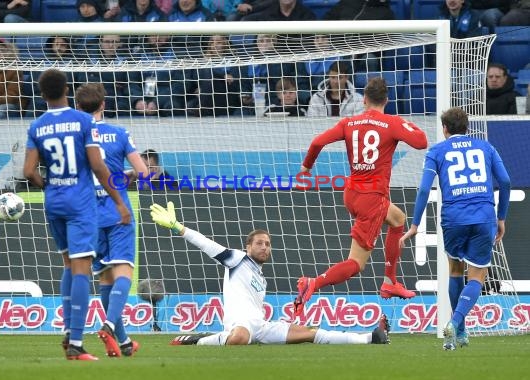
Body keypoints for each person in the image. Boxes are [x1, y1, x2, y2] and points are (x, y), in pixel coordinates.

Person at [150, 201, 391, 346]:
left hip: (262, 327)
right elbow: (207, 244)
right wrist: (178, 228)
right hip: (240, 325)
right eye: (259, 243)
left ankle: (371, 338)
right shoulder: (237, 259)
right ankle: (199, 339)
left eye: (267, 244)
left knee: (308, 333)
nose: (264, 247)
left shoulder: (261, 278)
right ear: (248, 246)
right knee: (239, 339)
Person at [293, 77, 428, 318]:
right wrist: (403, 124)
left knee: (397, 218)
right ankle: (312, 283)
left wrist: (306, 167)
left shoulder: (349, 122)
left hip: (352, 192)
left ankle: (390, 280)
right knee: (356, 263)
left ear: (364, 100)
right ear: (386, 100)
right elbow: (421, 142)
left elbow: (317, 142)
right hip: (372, 199)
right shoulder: (392, 123)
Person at [23, 68, 130, 361]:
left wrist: (49, 186)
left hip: (53, 202)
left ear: (42, 94)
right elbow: (97, 166)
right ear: (67, 90)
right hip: (80, 204)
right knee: (82, 269)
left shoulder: (37, 126)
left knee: (68, 264)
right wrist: (119, 201)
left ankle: (69, 332)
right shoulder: (84, 121)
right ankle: (77, 344)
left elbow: (28, 171)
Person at [399, 107, 510, 350]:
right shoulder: (486, 148)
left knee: (455, 269)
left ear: (445, 128)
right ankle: (456, 323)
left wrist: (416, 224)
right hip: (483, 216)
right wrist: (501, 217)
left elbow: (424, 190)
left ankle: (458, 331)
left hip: (453, 218)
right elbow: (505, 181)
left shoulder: (437, 151)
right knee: (477, 276)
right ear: (467, 127)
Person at [75, 83, 149, 357]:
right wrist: (126, 175)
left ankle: (125, 341)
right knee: (123, 274)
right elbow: (143, 173)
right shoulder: (119, 133)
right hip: (118, 212)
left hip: (88, 217)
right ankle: (107, 324)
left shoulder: (75, 138)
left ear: (78, 107)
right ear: (103, 105)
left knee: (105, 279)